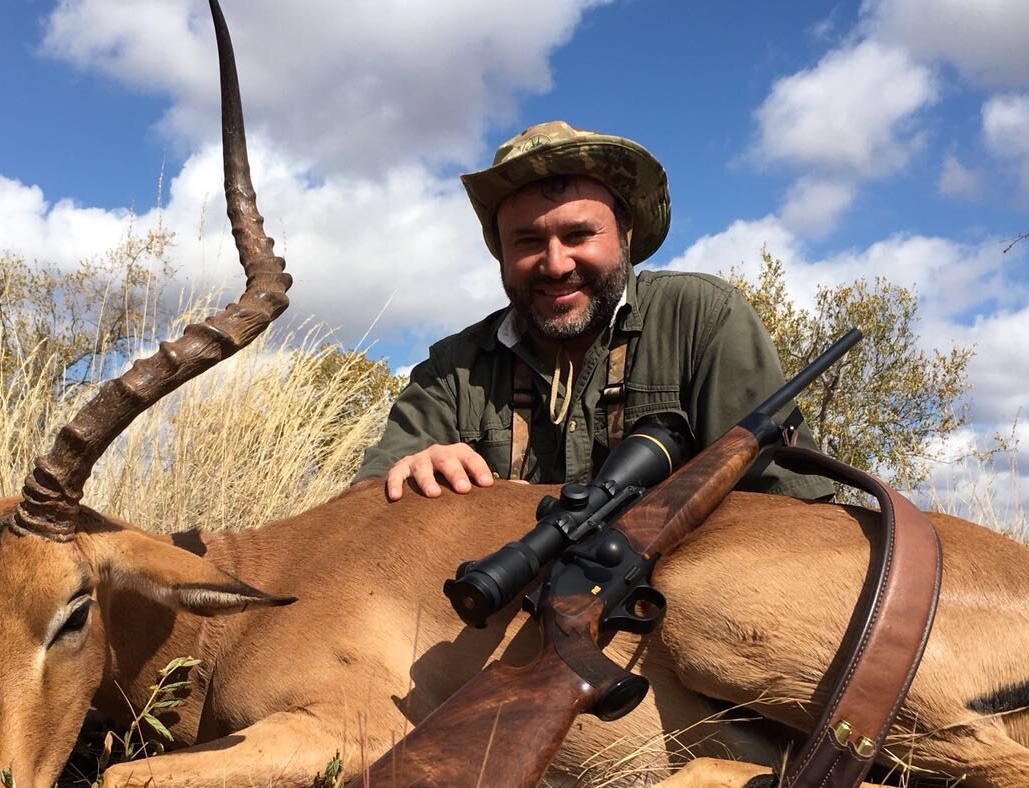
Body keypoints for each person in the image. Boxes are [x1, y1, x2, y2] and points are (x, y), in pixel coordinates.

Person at [356, 121, 832, 502]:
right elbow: (358, 513)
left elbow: (791, 514)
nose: (556, 263)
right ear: (500, 252)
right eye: (526, 241)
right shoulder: (451, 371)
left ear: (624, 234)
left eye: (579, 235)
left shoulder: (704, 319)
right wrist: (407, 475)